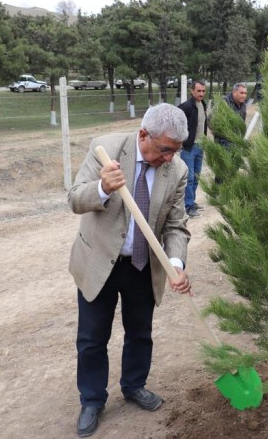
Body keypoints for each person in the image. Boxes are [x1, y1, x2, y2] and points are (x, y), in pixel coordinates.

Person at [68, 103, 192, 437]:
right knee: (92, 338)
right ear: (143, 136)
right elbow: (75, 199)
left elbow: (177, 225)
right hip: (99, 262)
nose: (169, 158)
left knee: (140, 333)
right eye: (165, 149)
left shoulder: (177, 170)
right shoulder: (106, 149)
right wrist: (102, 188)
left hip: (142, 265)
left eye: (176, 151)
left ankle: (134, 385)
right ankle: (92, 399)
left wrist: (175, 264)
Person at [178, 81, 208, 218]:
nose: (201, 94)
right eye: (198, 91)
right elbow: (176, 120)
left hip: (200, 147)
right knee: (189, 178)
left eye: (203, 91)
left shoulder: (203, 105)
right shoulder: (186, 107)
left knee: (196, 177)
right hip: (189, 148)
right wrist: (182, 141)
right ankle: (188, 206)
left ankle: (192, 202)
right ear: (192, 91)